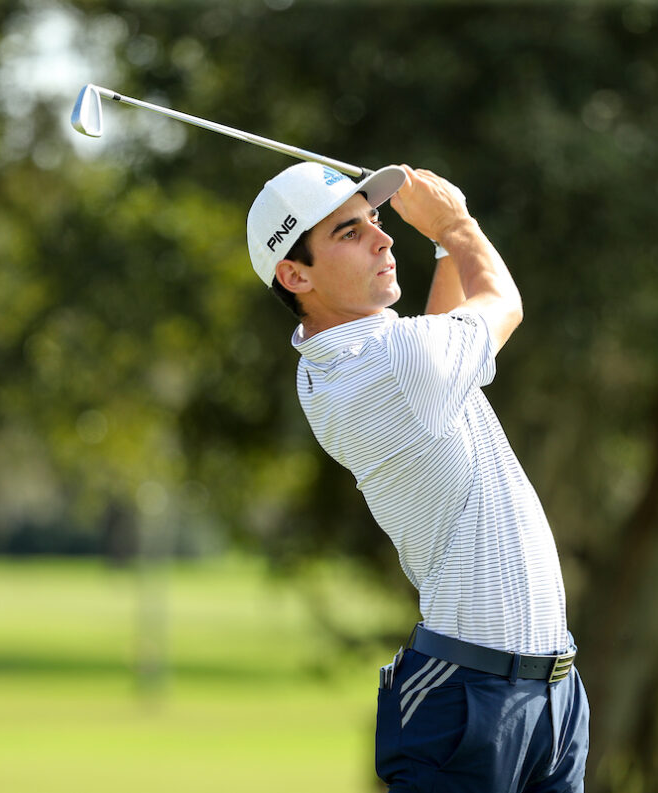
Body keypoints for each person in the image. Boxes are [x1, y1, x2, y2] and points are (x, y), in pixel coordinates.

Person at [246, 161, 589, 793]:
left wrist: (442, 250)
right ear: (294, 274)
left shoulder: (348, 360)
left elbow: (436, 338)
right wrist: (456, 226)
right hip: (467, 697)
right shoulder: (389, 364)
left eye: (375, 222)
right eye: (349, 234)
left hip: (551, 692)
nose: (383, 240)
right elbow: (504, 304)